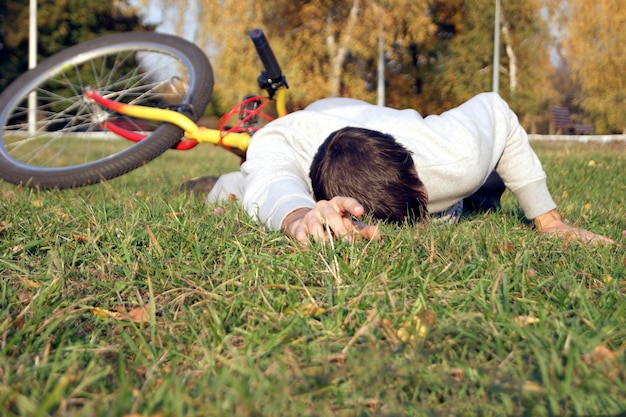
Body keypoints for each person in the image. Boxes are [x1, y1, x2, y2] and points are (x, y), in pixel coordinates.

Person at [193, 93, 612, 246]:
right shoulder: (283, 146)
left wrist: (549, 220)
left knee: (485, 193)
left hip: (379, 127)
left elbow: (497, 110)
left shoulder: (453, 155)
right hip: (312, 129)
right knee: (248, 186)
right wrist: (299, 216)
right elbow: (273, 184)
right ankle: (216, 184)